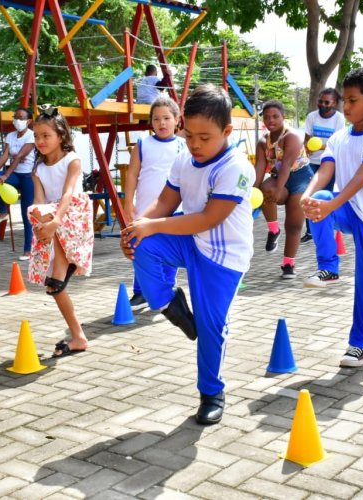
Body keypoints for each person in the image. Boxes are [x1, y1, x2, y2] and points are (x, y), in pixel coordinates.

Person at [120, 84, 255, 425]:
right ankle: (170, 305)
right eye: (189, 134)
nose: (194, 144)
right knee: (143, 243)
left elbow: (210, 217)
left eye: (205, 137)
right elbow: (166, 202)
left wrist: (154, 226)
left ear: (226, 132)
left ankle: (212, 392)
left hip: (222, 258)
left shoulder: (236, 166)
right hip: (191, 239)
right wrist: (138, 227)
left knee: (211, 328)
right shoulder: (185, 157)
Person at [300, 67, 363, 367]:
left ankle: (358, 345)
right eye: (346, 100)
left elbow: (361, 177)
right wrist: (309, 194)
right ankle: (329, 267)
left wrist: (330, 205)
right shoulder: (339, 137)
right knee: (320, 198)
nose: (347, 106)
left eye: (354, 100)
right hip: (347, 209)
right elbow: (325, 170)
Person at [26, 106, 94, 358]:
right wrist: (41, 223)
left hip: (72, 217)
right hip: (53, 223)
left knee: (49, 212)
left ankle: (65, 262)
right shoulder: (38, 169)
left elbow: (67, 194)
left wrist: (55, 221)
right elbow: (39, 201)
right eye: (36, 136)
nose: (40, 141)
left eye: (46, 135)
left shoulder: (71, 160)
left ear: (61, 136)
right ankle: (78, 337)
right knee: (54, 288)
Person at [123, 95, 185, 309]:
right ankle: (140, 291)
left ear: (177, 119)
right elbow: (132, 174)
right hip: (145, 210)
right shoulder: (143, 144)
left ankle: (166, 291)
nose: (162, 123)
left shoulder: (183, 146)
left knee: (168, 251)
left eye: (167, 118)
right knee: (140, 248)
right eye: (157, 119)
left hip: (174, 210)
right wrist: (128, 202)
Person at [255, 100, 313, 279]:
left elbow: (287, 164)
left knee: (294, 224)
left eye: (275, 116)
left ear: (283, 117)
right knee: (264, 189)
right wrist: (253, 193)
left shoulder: (292, 136)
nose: (270, 120)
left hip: (301, 177)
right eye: (266, 117)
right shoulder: (263, 141)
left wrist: (279, 189)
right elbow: (259, 167)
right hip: (279, 176)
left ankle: (288, 264)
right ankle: (273, 230)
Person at [0, 107, 36, 260]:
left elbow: (19, 156)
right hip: (15, 174)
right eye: (15, 117)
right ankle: (3, 211)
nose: (17, 120)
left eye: (21, 118)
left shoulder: (31, 136)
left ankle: (28, 249)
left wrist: (6, 174)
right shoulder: (10, 136)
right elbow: (5, 155)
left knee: (26, 214)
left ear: (28, 121)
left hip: (28, 176)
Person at [301, 88, 345, 242]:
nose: (322, 104)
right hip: (312, 163)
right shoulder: (312, 117)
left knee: (323, 197)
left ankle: (324, 229)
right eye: (321, 101)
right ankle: (310, 231)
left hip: (329, 163)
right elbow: (307, 139)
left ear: (334, 103)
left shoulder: (339, 119)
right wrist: (307, 147)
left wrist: (319, 147)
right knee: (309, 196)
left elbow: (337, 144)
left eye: (327, 102)